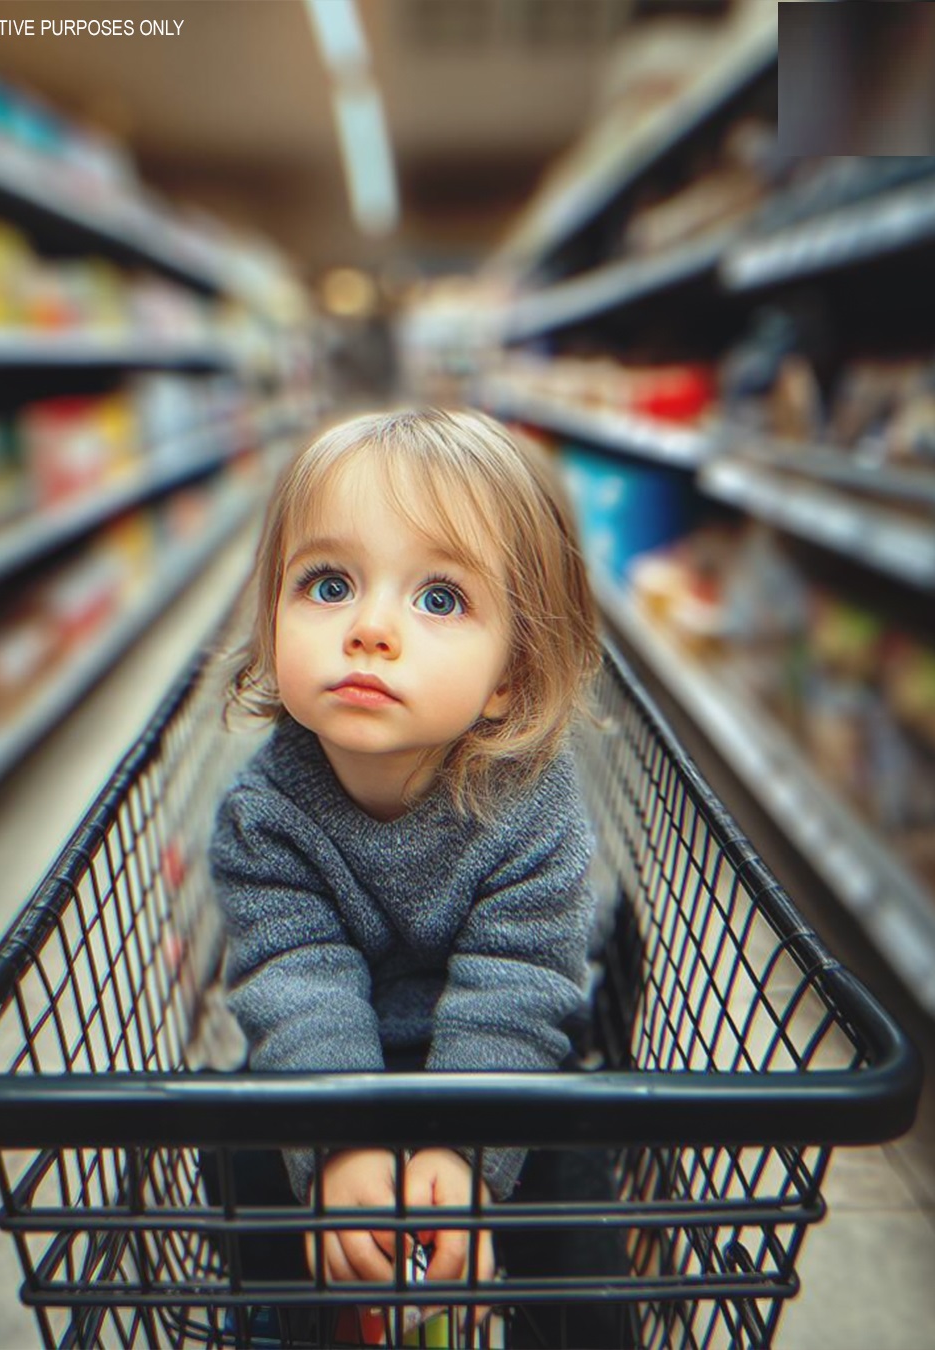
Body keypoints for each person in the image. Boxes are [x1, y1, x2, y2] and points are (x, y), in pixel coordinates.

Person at [206, 407, 628, 1347]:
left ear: (510, 676)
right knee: (239, 1147)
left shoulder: (532, 807)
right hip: (339, 1056)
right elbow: (296, 979)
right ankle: (288, 1320)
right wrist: (342, 1144)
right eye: (327, 583)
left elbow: (519, 987)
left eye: (439, 599)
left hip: (499, 1067)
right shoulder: (263, 812)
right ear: (270, 613)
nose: (369, 628)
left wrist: (469, 1153)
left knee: (575, 1169)